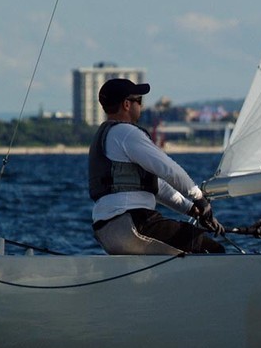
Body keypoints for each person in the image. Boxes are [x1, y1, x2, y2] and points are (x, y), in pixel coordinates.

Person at [89, 78, 225, 255]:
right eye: (139, 101)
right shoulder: (127, 133)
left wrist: (192, 209)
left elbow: (158, 186)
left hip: (106, 230)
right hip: (133, 222)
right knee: (213, 250)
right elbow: (169, 170)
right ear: (127, 104)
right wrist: (200, 199)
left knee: (181, 249)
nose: (142, 107)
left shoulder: (104, 137)